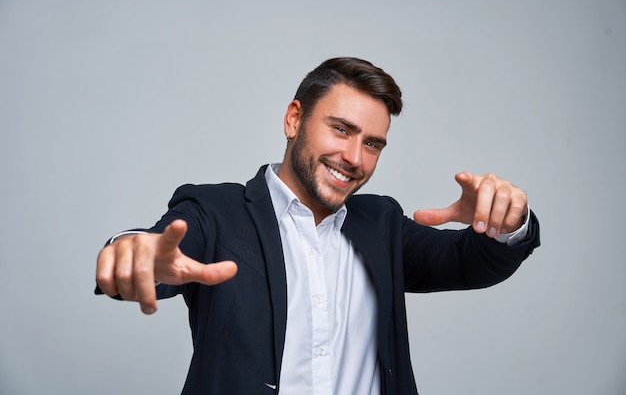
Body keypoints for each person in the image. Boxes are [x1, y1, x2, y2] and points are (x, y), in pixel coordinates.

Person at [95, 57, 540, 394]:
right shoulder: (216, 211)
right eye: (341, 130)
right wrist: (134, 253)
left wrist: (506, 219)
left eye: (372, 144)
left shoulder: (381, 224)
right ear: (294, 119)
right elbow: (158, 249)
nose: (355, 158)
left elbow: (469, 263)